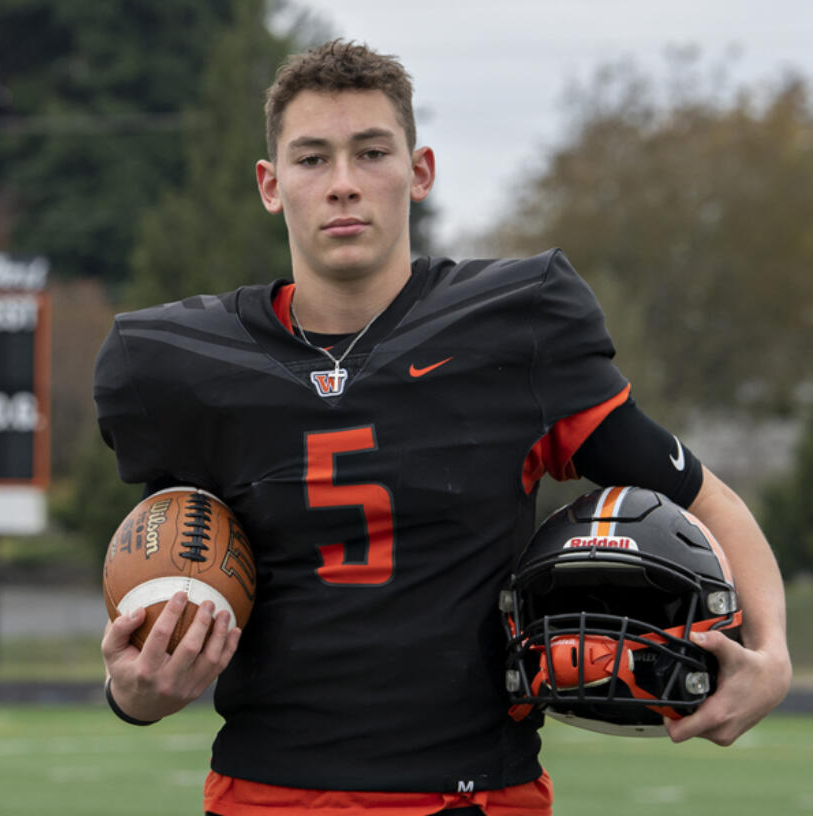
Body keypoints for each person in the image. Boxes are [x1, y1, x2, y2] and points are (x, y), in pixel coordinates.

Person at [94, 40, 791, 816]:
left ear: (419, 171)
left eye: (371, 152)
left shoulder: (513, 329)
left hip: (476, 796)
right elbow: (163, 584)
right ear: (271, 183)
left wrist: (773, 655)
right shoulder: (179, 365)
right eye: (313, 159)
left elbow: (701, 496)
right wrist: (135, 691)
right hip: (262, 794)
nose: (345, 185)